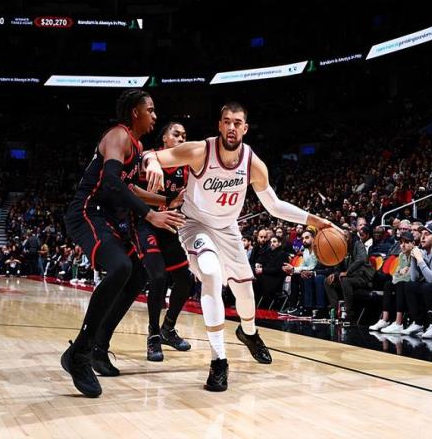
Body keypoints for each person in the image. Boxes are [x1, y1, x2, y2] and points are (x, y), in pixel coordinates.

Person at [143, 101, 334, 391]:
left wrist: (315, 220)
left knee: (245, 291)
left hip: (228, 229)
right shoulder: (200, 150)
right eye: (227, 121)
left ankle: (249, 333)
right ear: (220, 125)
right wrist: (155, 163)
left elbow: (274, 205)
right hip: (196, 225)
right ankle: (219, 360)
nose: (232, 127)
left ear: (245, 128)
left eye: (237, 123)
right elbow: (151, 155)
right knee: (210, 273)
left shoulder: (252, 163)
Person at [61, 89, 185, 398]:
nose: (155, 115)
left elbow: (131, 190)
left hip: (107, 216)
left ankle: (99, 348)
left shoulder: (138, 145)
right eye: (150, 110)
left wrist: (168, 201)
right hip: (86, 211)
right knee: (120, 267)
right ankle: (80, 352)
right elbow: (112, 184)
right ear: (135, 112)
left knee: (138, 274)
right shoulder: (117, 135)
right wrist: (151, 215)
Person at [136, 122, 193, 361]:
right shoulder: (149, 159)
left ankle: (167, 329)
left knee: (185, 280)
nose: (181, 138)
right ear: (164, 139)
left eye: (184, 136)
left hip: (168, 225)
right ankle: (153, 335)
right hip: (145, 223)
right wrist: (167, 200)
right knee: (158, 277)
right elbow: (132, 192)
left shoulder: (186, 168)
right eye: (176, 134)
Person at [369, 230, 413, 333]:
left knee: (400, 284)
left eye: (406, 242)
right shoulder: (401, 255)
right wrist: (401, 273)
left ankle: (398, 323)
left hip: (412, 283)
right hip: (402, 281)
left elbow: (411, 276)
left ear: (413, 243)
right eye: (401, 242)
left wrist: (402, 274)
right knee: (388, 284)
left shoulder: (415, 254)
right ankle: (385, 319)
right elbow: (396, 275)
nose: (403, 245)